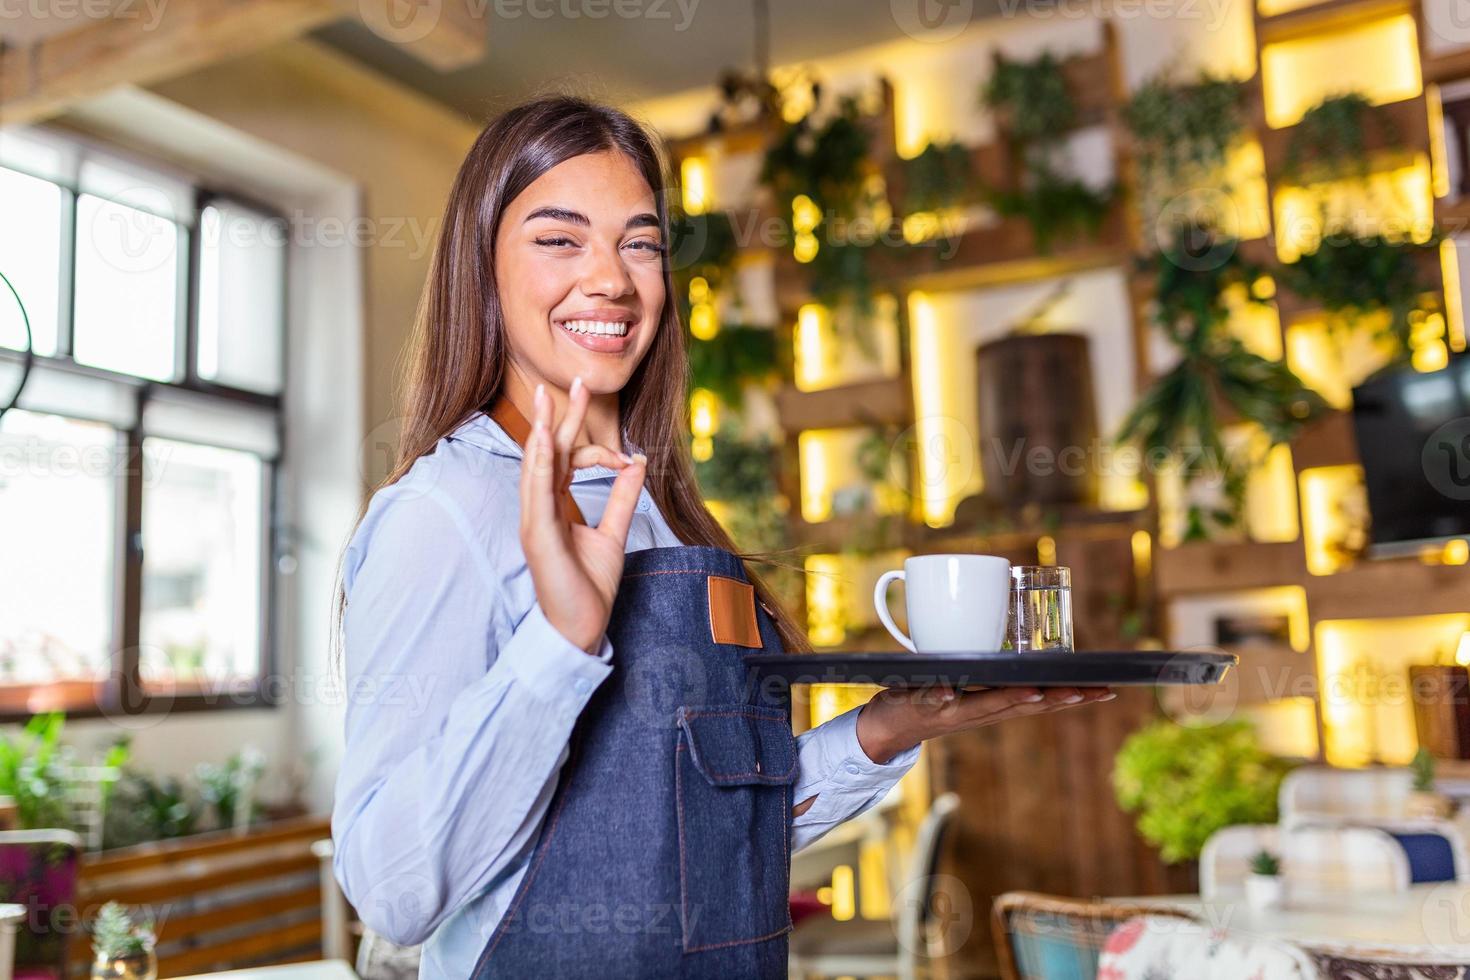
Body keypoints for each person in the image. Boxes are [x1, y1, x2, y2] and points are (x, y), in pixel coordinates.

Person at [330, 94, 1113, 980]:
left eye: (640, 243)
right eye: (559, 239)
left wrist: (888, 729)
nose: (612, 279)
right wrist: (558, 647)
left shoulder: (656, 509)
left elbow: (708, 843)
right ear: (483, 268)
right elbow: (390, 888)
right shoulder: (447, 512)